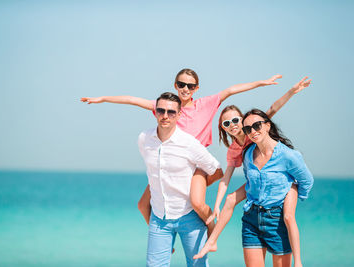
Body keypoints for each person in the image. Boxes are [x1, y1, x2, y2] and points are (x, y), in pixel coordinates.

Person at [81, 68, 282, 235]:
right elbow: (132, 99)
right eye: (182, 84)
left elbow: (231, 90)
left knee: (196, 201)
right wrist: (103, 99)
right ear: (176, 85)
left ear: (196, 88)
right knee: (143, 206)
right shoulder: (168, 108)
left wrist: (262, 83)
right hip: (171, 165)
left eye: (191, 85)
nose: (186, 88)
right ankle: (164, 239)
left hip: (197, 165)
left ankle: (211, 230)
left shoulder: (206, 104)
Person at [193, 77, 311, 267]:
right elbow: (225, 179)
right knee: (230, 199)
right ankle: (212, 240)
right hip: (254, 185)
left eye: (235, 120)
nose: (232, 125)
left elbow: (273, 108)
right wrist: (216, 205)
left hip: (271, 185)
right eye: (226, 124)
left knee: (288, 217)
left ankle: (298, 260)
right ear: (223, 129)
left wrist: (291, 90)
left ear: (243, 120)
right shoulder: (234, 149)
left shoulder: (255, 129)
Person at [138, 92, 223, 266]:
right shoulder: (144, 139)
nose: (165, 116)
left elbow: (216, 170)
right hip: (159, 217)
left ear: (179, 114)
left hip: (189, 216)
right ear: (155, 112)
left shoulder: (189, 143)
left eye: (171, 112)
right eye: (161, 111)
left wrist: (199, 182)